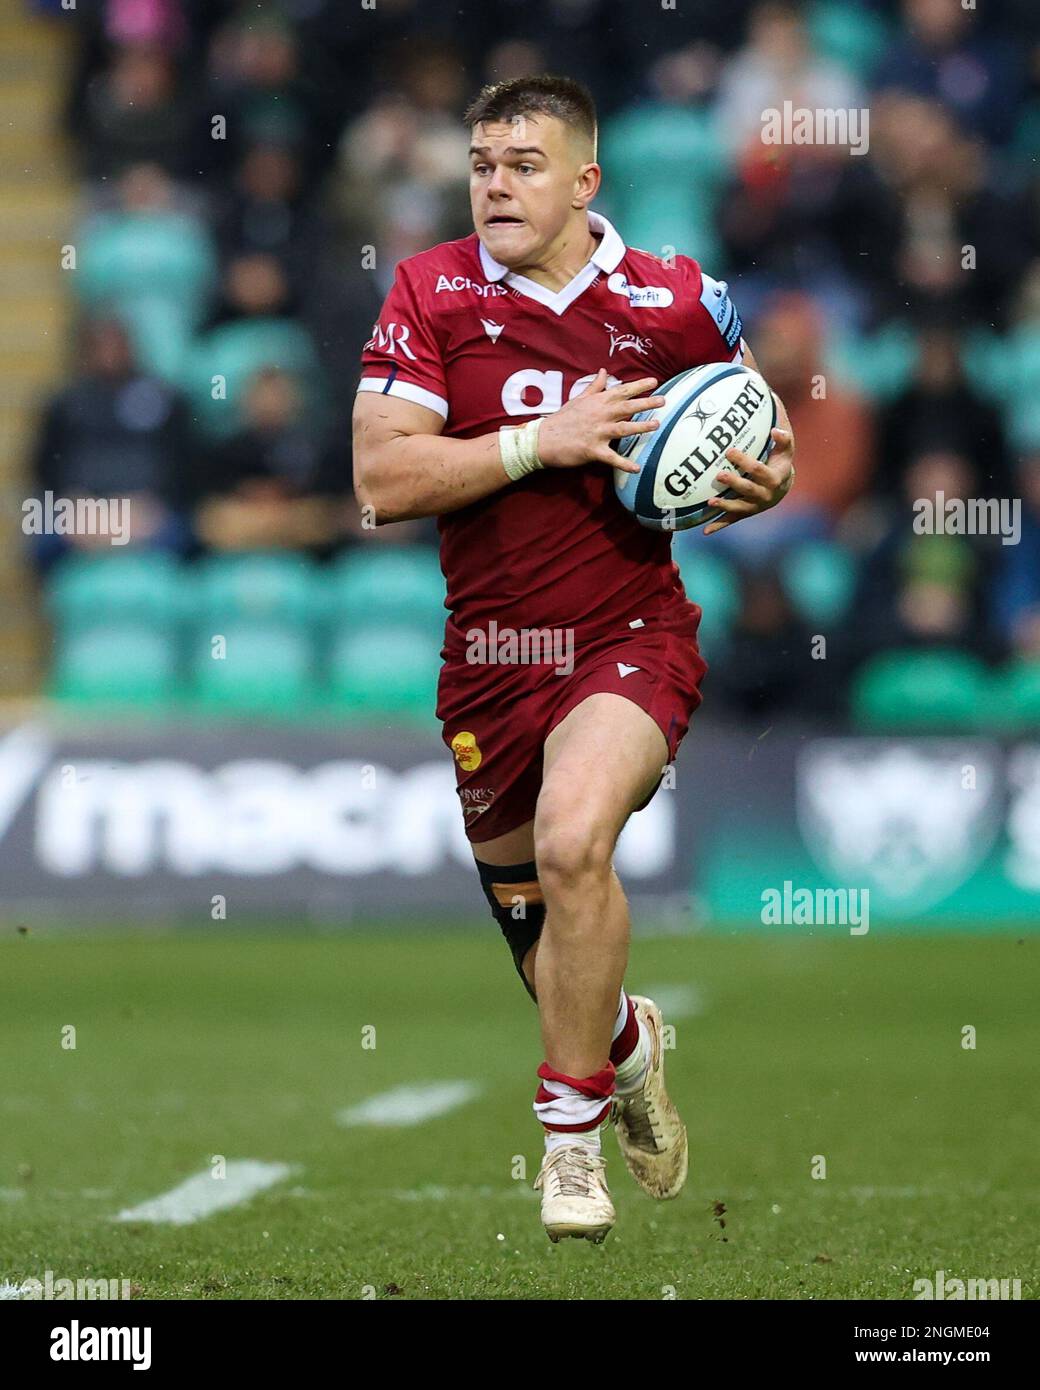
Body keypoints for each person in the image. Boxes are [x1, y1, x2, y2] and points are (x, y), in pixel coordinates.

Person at [352, 75, 795, 1244]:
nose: (494, 183)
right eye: (482, 162)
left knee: (571, 840)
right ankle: (624, 1046)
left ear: (584, 181)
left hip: (629, 638)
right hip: (489, 661)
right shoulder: (429, 289)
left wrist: (764, 478)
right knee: (537, 940)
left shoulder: (675, 300)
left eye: (523, 163)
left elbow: (767, 432)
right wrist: (536, 441)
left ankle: (564, 1142)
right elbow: (381, 479)